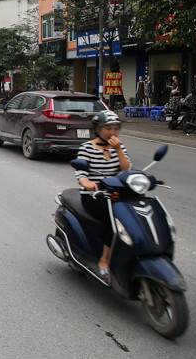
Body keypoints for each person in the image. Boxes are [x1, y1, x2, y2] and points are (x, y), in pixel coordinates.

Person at [74, 110, 131, 280]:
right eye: (108, 128)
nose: (113, 132)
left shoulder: (119, 147)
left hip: (116, 195)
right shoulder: (87, 148)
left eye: (116, 128)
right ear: (98, 129)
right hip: (95, 196)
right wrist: (87, 184)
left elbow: (126, 169)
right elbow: (81, 174)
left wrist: (118, 149)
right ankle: (104, 260)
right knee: (112, 219)